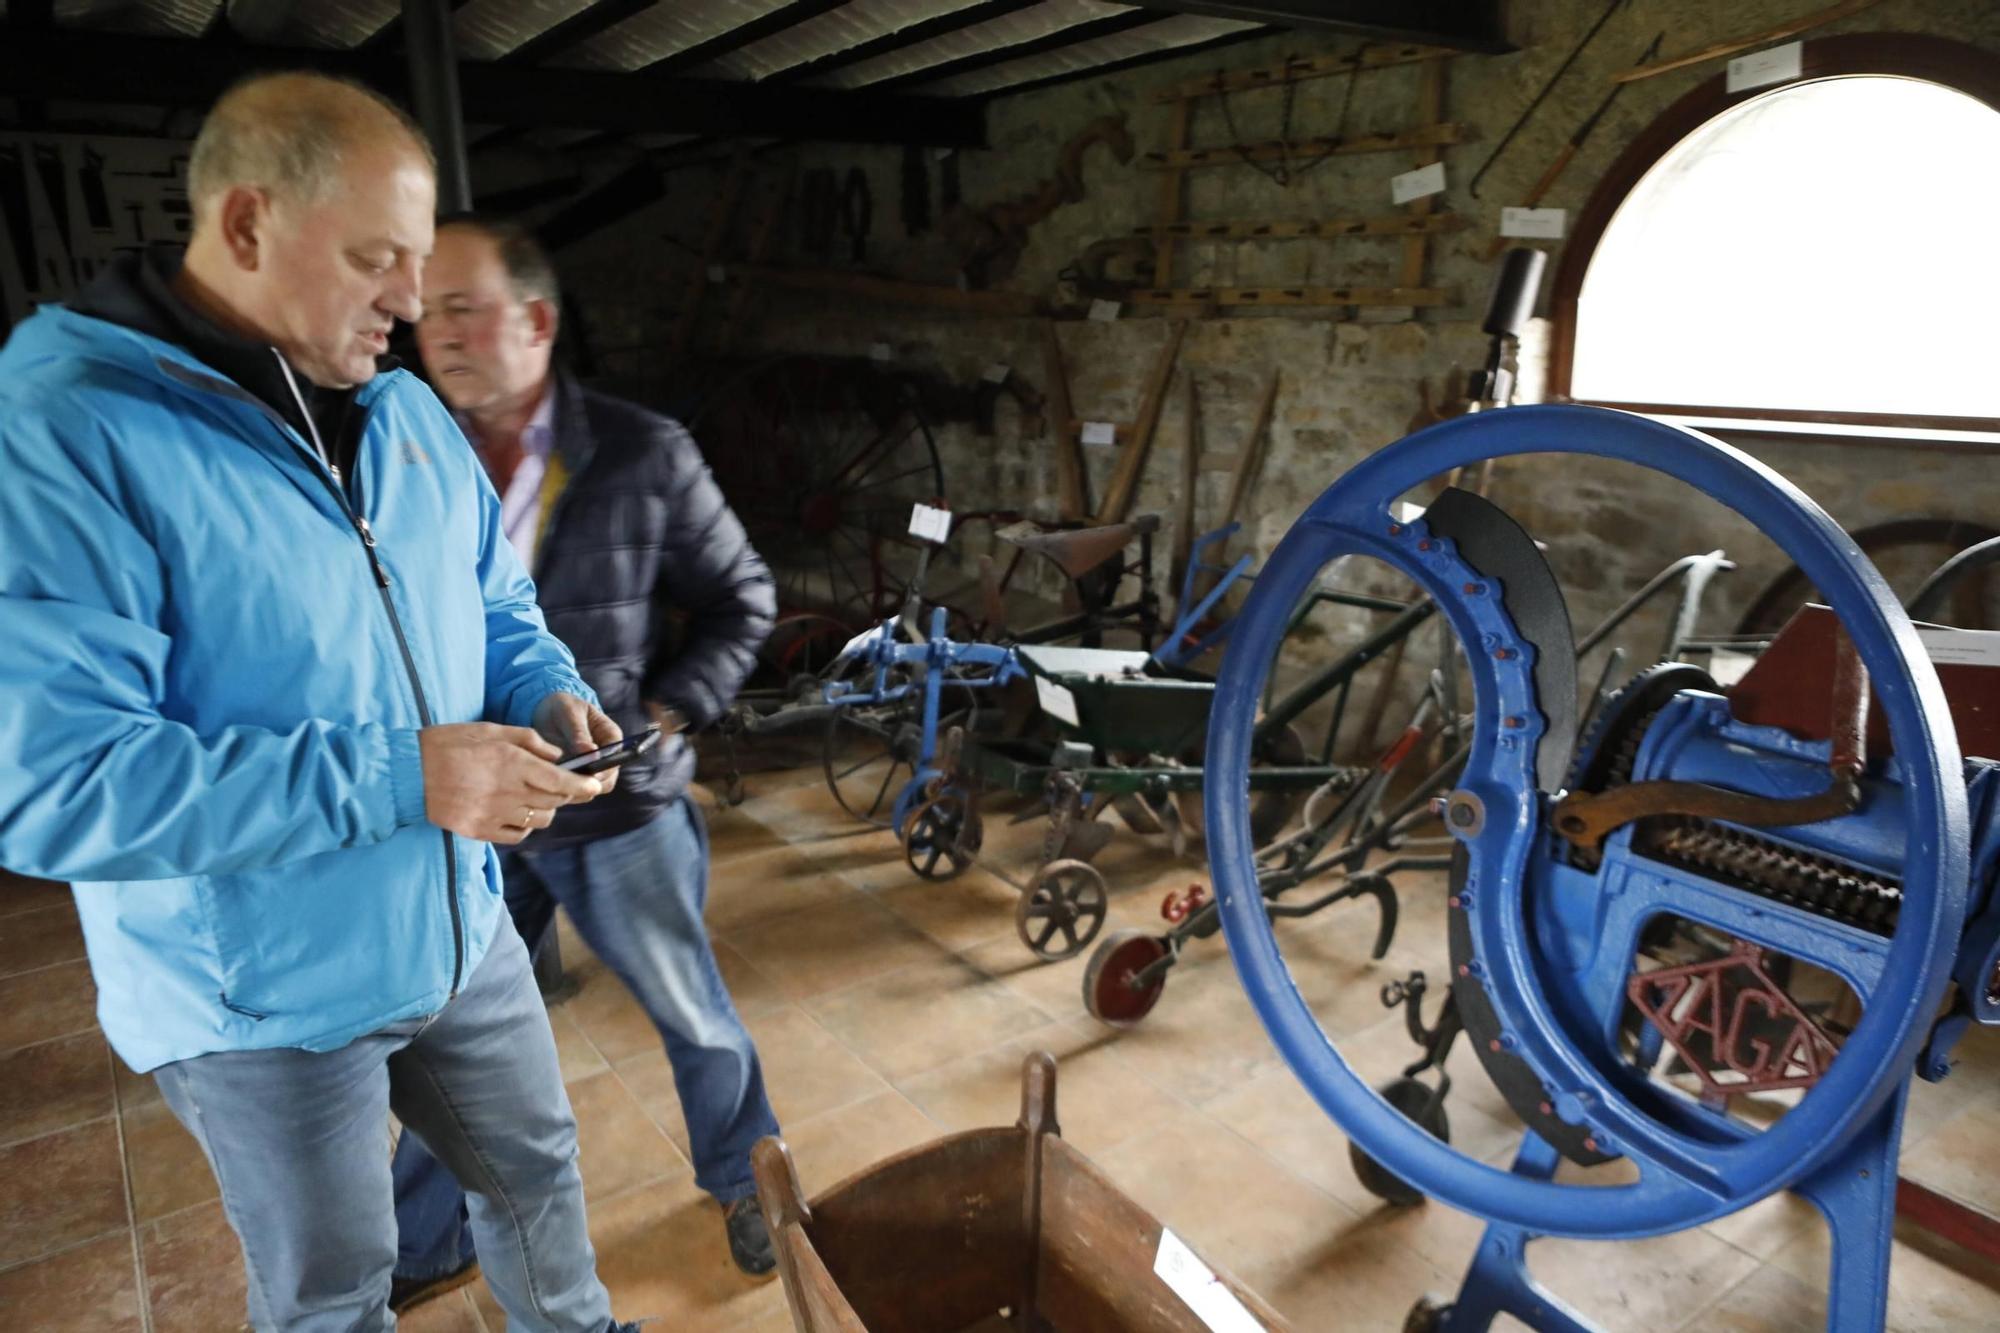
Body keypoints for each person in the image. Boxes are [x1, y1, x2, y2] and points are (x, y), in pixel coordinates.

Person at [0, 73, 643, 1333]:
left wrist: (546, 687)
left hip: (457, 930)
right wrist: (410, 777)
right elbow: (57, 788)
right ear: (246, 227)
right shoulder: (67, 432)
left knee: (537, 1182)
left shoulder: (403, 412)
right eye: (377, 259)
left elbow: (492, 601)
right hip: (262, 1002)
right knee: (334, 1289)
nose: (412, 303)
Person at [387, 213, 782, 1308]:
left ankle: (751, 1176)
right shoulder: (405, 459)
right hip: (476, 808)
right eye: (427, 314)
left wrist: (668, 703)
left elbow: (744, 598)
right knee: (451, 1033)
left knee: (691, 1010)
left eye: (467, 309)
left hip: (618, 812)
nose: (442, 336)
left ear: (538, 319)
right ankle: (424, 1237)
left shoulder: (639, 449)